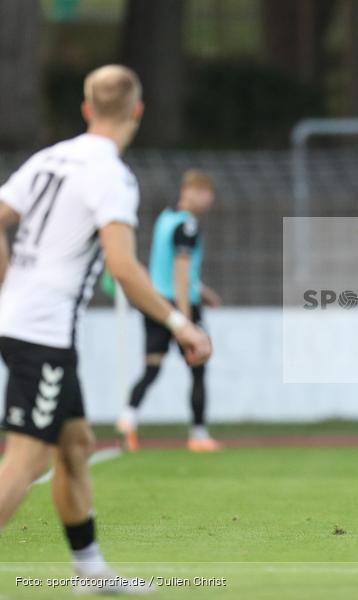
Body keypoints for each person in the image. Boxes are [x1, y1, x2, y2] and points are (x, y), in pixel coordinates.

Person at [0, 65, 211, 592]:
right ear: (137, 111)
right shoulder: (112, 176)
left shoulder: (49, 158)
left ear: (86, 109)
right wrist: (180, 323)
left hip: (32, 325)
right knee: (26, 459)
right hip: (42, 332)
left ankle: (90, 572)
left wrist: (9, 283)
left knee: (75, 444)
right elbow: (122, 268)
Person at [116, 169, 222, 452]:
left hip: (155, 304)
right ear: (190, 192)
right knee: (198, 369)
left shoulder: (165, 219)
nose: (208, 199)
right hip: (180, 306)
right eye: (204, 193)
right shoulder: (187, 226)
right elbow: (180, 273)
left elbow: (169, 268)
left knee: (151, 367)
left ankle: (128, 418)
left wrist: (205, 292)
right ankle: (199, 434)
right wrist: (185, 321)